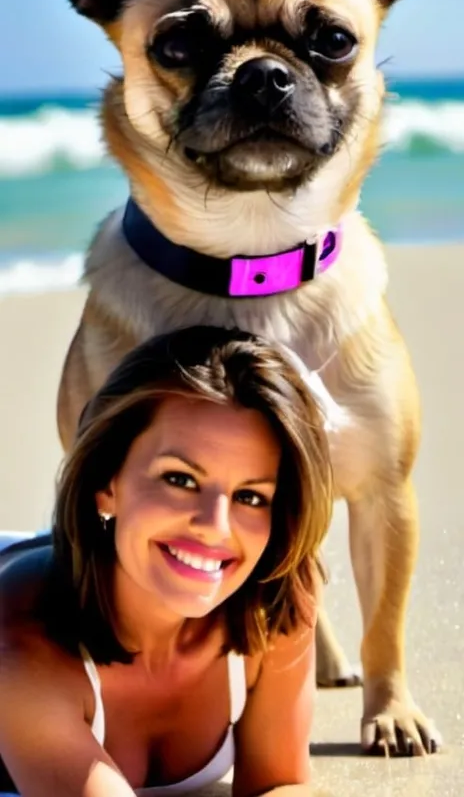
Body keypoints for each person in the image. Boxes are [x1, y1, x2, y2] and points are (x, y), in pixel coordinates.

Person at [0, 326, 333, 797]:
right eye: (179, 478)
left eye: (251, 496)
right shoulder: (25, 651)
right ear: (106, 482)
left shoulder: (274, 602)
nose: (216, 526)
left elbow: (278, 785)